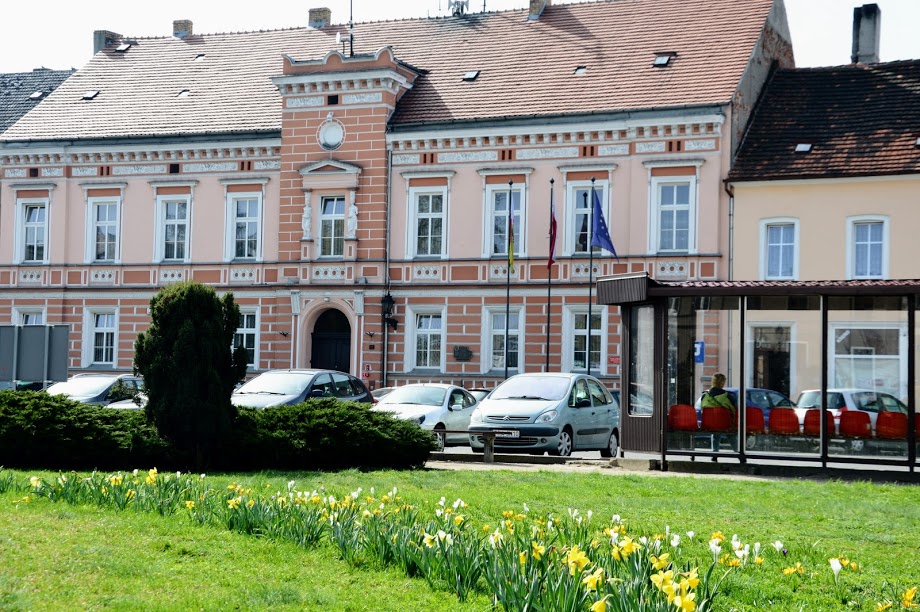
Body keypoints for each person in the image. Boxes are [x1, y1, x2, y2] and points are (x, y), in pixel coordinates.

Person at [700, 372, 736, 452]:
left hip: (709, 424)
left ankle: (715, 452)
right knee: (728, 429)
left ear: (712, 382)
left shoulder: (705, 396)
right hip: (725, 424)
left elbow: (703, 410)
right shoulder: (727, 396)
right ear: (723, 383)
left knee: (715, 428)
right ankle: (737, 451)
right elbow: (734, 410)